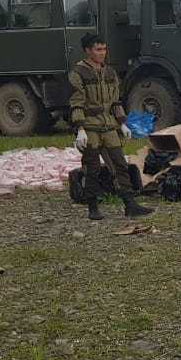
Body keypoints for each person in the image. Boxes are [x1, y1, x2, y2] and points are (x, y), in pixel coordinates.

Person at [68, 32, 153, 221]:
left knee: (120, 165)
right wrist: (80, 128)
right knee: (92, 168)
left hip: (109, 126)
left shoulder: (109, 72)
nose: (102, 53)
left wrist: (123, 123)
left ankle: (130, 205)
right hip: (90, 127)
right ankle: (92, 207)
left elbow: (116, 101)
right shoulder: (78, 73)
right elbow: (76, 102)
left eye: (104, 49)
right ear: (87, 51)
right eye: (98, 49)